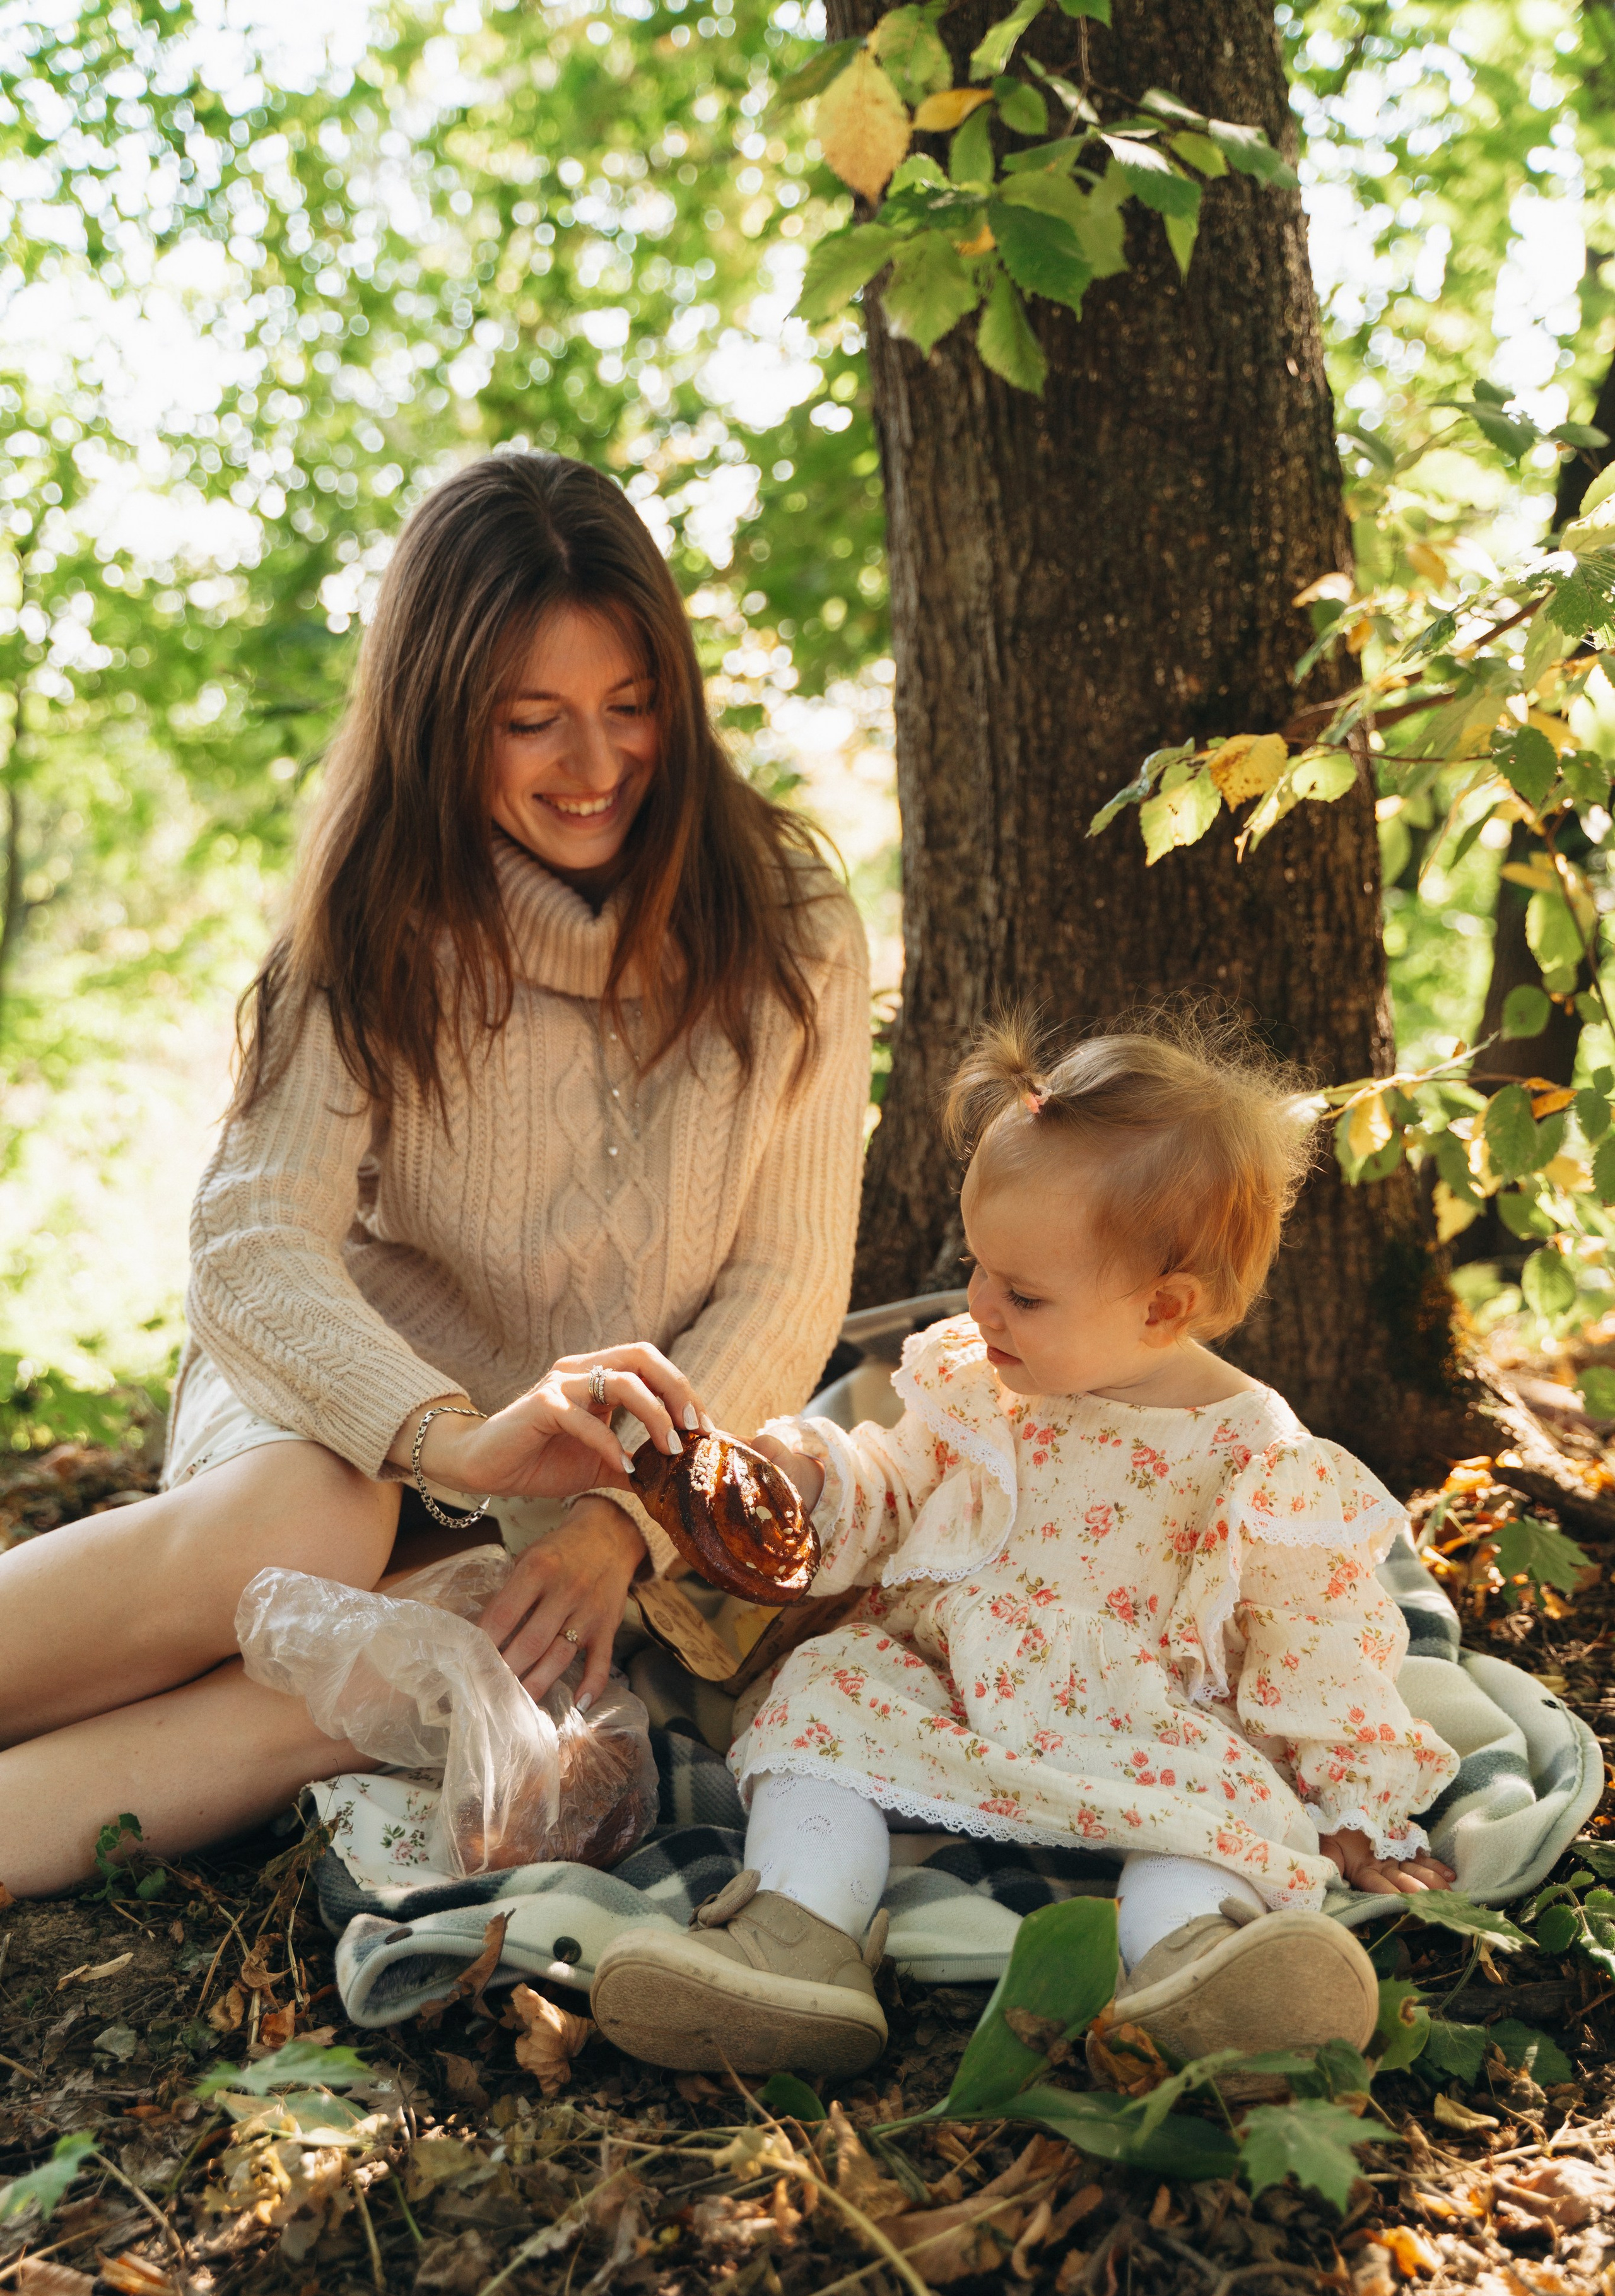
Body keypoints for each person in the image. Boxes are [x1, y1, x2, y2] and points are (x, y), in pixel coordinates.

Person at [0, 452, 868, 1899]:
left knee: (449, 1649)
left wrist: (623, 1524)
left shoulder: (793, 931)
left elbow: (784, 1285)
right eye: (532, 722)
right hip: (343, 1419)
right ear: (441, 721)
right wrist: (447, 1437)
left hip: (596, 1503)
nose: (594, 769)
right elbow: (251, 1239)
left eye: (629, 706)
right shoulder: (380, 920)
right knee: (316, 1531)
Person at [589, 1010, 1462, 2078]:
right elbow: (900, 1492)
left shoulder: (1255, 1454)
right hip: (948, 1680)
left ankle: (1196, 1966)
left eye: (1024, 1292)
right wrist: (814, 1478)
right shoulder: (978, 1379)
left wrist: (1357, 1803)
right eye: (979, 1268)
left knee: (1221, 1812)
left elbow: (1312, 1637)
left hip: (1144, 1718)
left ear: (1166, 1305)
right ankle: (799, 1932)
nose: (978, 1304)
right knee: (824, 1708)